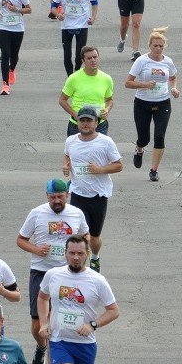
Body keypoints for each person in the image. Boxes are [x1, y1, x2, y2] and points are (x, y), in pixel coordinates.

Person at [16, 178, 90, 364]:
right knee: (38, 324)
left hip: (66, 274)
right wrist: (36, 249)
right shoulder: (36, 214)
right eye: (53, 197)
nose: (57, 201)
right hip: (41, 271)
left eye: (60, 196)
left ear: (67, 194)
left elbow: (86, 236)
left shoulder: (76, 213)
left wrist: (83, 262)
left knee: (56, 322)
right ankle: (41, 347)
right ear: (46, 196)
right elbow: (20, 239)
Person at [39, 234, 119, 364]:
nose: (76, 257)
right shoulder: (53, 275)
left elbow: (113, 310)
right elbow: (42, 298)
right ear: (65, 254)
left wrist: (93, 324)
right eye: (72, 253)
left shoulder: (97, 280)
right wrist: (44, 324)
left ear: (87, 254)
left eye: (80, 253)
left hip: (85, 344)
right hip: (60, 340)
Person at [62, 111, 123, 271]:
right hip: (77, 193)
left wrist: (100, 169)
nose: (85, 124)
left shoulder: (106, 142)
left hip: (98, 194)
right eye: (82, 121)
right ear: (77, 123)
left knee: (94, 237)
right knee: (80, 235)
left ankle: (95, 257)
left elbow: (118, 165)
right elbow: (67, 155)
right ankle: (80, 267)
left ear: (96, 123)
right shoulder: (71, 141)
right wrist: (66, 166)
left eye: (89, 120)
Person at [125, 28, 179, 183]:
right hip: (142, 103)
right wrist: (143, 84)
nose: (158, 49)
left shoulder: (168, 61)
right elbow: (127, 82)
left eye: (161, 46)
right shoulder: (142, 61)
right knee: (144, 138)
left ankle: (154, 170)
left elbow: (173, 77)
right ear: (150, 46)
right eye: (155, 46)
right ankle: (139, 148)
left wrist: (174, 88)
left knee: (160, 137)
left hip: (163, 103)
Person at [51, 0, 99, 77]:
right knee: (67, 54)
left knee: (79, 55)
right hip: (66, 24)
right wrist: (58, 14)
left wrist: (93, 17)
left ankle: (77, 73)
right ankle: (70, 78)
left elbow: (94, 2)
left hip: (82, 24)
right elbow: (53, 6)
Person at [59, 46, 114, 138]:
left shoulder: (107, 79)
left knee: (98, 152)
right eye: (89, 58)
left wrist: (107, 109)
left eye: (95, 57)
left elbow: (109, 100)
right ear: (83, 61)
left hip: (99, 123)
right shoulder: (73, 78)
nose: (93, 60)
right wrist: (74, 114)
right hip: (78, 123)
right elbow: (62, 100)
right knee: (76, 152)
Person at [0, 0, 31, 95]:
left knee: (14, 54)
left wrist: (17, 10)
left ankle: (12, 69)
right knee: (5, 54)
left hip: (17, 27)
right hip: (3, 27)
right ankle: (5, 85)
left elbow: (29, 9)